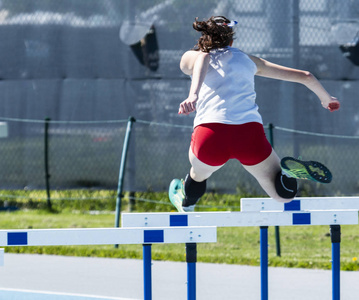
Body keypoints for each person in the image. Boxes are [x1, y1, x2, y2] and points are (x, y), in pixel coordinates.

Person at [169, 16, 340, 212]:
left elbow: (203, 58)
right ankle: (289, 175)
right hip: (248, 134)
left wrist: (193, 95)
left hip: (210, 134)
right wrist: (326, 98)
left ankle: (187, 201)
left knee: (198, 174)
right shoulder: (249, 60)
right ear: (231, 40)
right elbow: (305, 76)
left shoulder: (192, 56)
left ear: (203, 38)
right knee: (283, 196)